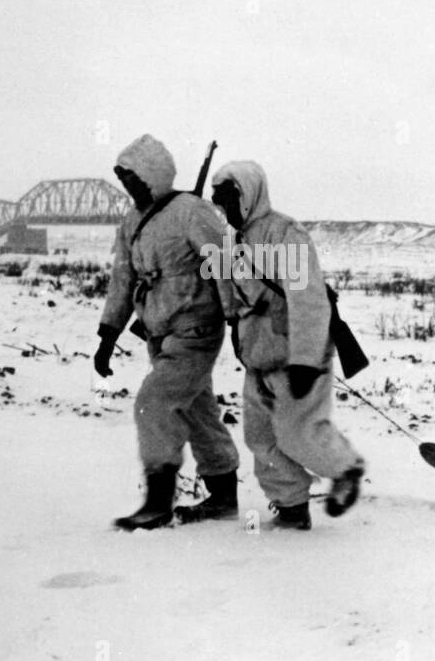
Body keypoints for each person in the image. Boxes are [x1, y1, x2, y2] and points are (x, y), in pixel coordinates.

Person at [204, 160, 365, 530]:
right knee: (260, 440)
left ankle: (346, 469)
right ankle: (291, 507)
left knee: (298, 434)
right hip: (258, 356)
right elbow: (231, 296)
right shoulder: (234, 241)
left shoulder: (284, 233)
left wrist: (306, 361)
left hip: (295, 354)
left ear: (248, 195)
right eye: (218, 201)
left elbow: (308, 300)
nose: (223, 207)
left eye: (228, 198)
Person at [94, 134, 240, 530]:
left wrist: (237, 319)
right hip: (160, 332)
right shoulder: (132, 222)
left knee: (153, 403)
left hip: (197, 328)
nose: (130, 188)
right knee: (197, 411)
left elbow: (223, 265)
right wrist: (108, 336)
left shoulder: (192, 212)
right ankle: (224, 496)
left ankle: (158, 502)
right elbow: (123, 279)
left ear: (154, 175)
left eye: (136, 179)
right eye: (125, 181)